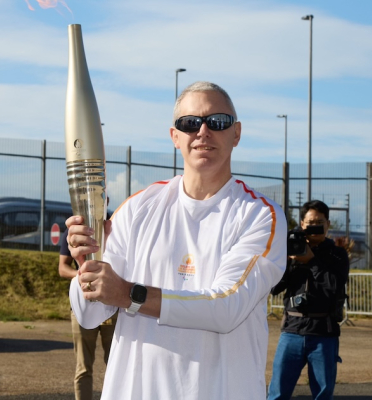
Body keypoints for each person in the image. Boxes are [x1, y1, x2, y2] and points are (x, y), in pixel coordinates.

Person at [66, 81, 287, 400]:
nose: (203, 131)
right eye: (190, 123)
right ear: (175, 136)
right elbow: (89, 315)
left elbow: (225, 308)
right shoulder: (139, 207)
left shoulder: (260, 215)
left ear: (236, 133)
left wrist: (129, 294)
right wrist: (86, 264)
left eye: (217, 122)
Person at [267, 200, 350, 400]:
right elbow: (275, 288)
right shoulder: (289, 250)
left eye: (320, 222)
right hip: (292, 331)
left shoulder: (337, 255)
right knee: (277, 393)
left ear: (328, 224)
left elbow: (334, 287)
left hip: (324, 333)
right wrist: (285, 261)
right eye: (311, 222)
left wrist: (312, 261)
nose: (315, 226)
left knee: (323, 394)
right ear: (302, 224)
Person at [59, 203, 116, 400]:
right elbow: (62, 268)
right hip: (83, 303)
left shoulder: (116, 223)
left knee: (116, 364)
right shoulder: (76, 227)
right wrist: (85, 275)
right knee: (83, 368)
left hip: (113, 304)